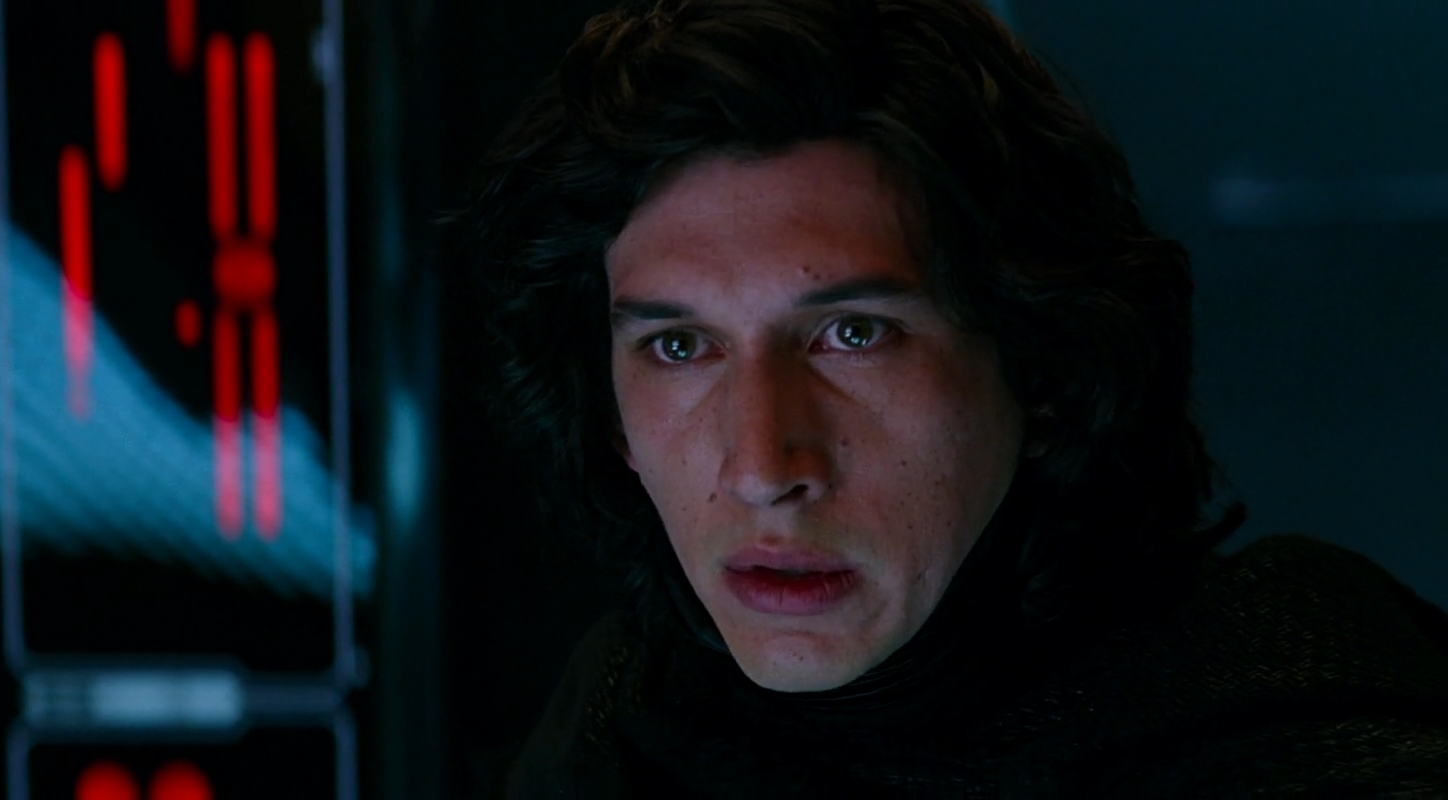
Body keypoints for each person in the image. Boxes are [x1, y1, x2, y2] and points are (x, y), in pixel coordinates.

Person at [457, 0, 1448, 794]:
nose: (762, 468)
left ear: (1042, 370)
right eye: (679, 346)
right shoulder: (624, 722)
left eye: (855, 335)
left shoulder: (1292, 721)